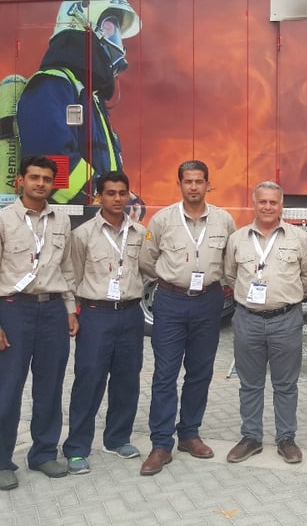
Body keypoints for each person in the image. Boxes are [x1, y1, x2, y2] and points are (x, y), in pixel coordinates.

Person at [137, 160, 235, 476]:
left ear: (208, 184)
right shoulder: (163, 220)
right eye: (188, 181)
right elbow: (148, 260)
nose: (194, 187)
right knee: (165, 373)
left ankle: (189, 434)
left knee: (200, 372)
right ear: (179, 184)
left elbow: (230, 260)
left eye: (199, 181)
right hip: (171, 302)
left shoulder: (224, 221)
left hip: (208, 302)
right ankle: (161, 444)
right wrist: (174, 280)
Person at [16, 0, 143, 214]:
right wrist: (101, 195)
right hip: (64, 223)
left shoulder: (88, 96)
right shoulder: (53, 84)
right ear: (82, 23)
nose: (117, 44)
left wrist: (124, 196)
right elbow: (50, 160)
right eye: (110, 28)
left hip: (89, 223)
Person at [0, 155, 78, 491]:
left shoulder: (61, 220)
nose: (41, 184)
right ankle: (2, 460)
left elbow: (69, 268)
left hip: (52, 312)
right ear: (21, 180)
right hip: (14, 310)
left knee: (50, 386)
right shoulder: (4, 220)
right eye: (34, 177)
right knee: (8, 389)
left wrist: (71, 309)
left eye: (47, 178)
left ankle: (44, 452)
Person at [224, 181, 307, 464]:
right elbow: (229, 275)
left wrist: (284, 297)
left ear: (281, 205)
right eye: (262, 201)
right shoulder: (238, 238)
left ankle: (286, 439)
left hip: (285, 320)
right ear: (255, 203)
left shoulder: (298, 238)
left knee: (286, 385)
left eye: (273, 202)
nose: (267, 207)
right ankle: (251, 437)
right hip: (247, 320)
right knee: (249, 384)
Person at [62, 171, 146, 475]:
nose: (117, 199)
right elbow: (72, 276)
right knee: (89, 379)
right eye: (110, 193)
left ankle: (117, 438)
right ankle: (76, 448)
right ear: (99, 196)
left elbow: (145, 269)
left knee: (127, 379)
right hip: (96, 314)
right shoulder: (83, 234)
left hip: (131, 313)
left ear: (128, 196)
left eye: (122, 193)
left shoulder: (139, 232)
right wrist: (73, 310)